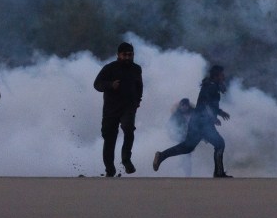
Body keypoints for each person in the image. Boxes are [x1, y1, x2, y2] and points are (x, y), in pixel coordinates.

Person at [153, 64, 232, 178]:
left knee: (187, 147)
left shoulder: (211, 85)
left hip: (197, 122)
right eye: (222, 74)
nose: (224, 76)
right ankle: (219, 173)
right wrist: (214, 117)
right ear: (217, 75)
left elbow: (209, 104)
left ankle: (161, 156)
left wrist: (219, 112)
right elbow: (206, 104)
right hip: (203, 123)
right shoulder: (211, 86)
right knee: (220, 144)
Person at [93, 42, 144, 176]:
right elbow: (97, 84)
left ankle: (126, 161)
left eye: (130, 55)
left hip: (128, 107)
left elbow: (139, 86)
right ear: (118, 55)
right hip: (111, 109)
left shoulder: (136, 69)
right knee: (109, 138)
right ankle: (110, 169)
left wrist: (138, 100)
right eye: (124, 55)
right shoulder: (110, 68)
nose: (127, 58)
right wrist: (110, 85)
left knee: (128, 129)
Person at [167, 98, 194, 177]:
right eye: (183, 106)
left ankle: (183, 165)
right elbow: (169, 125)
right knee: (187, 154)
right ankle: (187, 172)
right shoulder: (176, 114)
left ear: (188, 106)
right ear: (180, 106)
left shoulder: (194, 112)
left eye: (186, 106)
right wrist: (170, 135)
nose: (184, 107)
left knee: (186, 154)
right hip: (181, 136)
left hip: (192, 135)